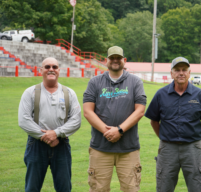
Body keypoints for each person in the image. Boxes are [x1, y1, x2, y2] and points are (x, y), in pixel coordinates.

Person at [83, 46, 147, 192]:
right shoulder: (95, 82)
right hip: (100, 147)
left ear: (124, 60)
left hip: (128, 149)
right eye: (112, 58)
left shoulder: (135, 82)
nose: (115, 61)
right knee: (98, 189)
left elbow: (140, 111)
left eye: (119, 58)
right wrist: (107, 131)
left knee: (131, 189)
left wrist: (119, 130)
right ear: (106, 61)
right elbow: (88, 111)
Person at [145, 57, 201, 192]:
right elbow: (154, 121)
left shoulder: (200, 95)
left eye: (184, 70)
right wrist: (165, 138)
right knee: (164, 186)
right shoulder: (161, 94)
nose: (181, 73)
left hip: (193, 149)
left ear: (189, 72)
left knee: (197, 187)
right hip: (167, 149)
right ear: (171, 73)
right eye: (177, 70)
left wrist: (194, 139)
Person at [18, 57, 82, 192]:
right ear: (41, 70)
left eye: (54, 67)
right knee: (32, 188)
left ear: (59, 70)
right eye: (47, 67)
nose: (51, 69)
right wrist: (45, 136)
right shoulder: (30, 92)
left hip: (61, 145)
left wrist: (56, 133)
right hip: (36, 145)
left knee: (64, 188)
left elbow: (76, 120)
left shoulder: (69, 93)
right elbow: (23, 120)